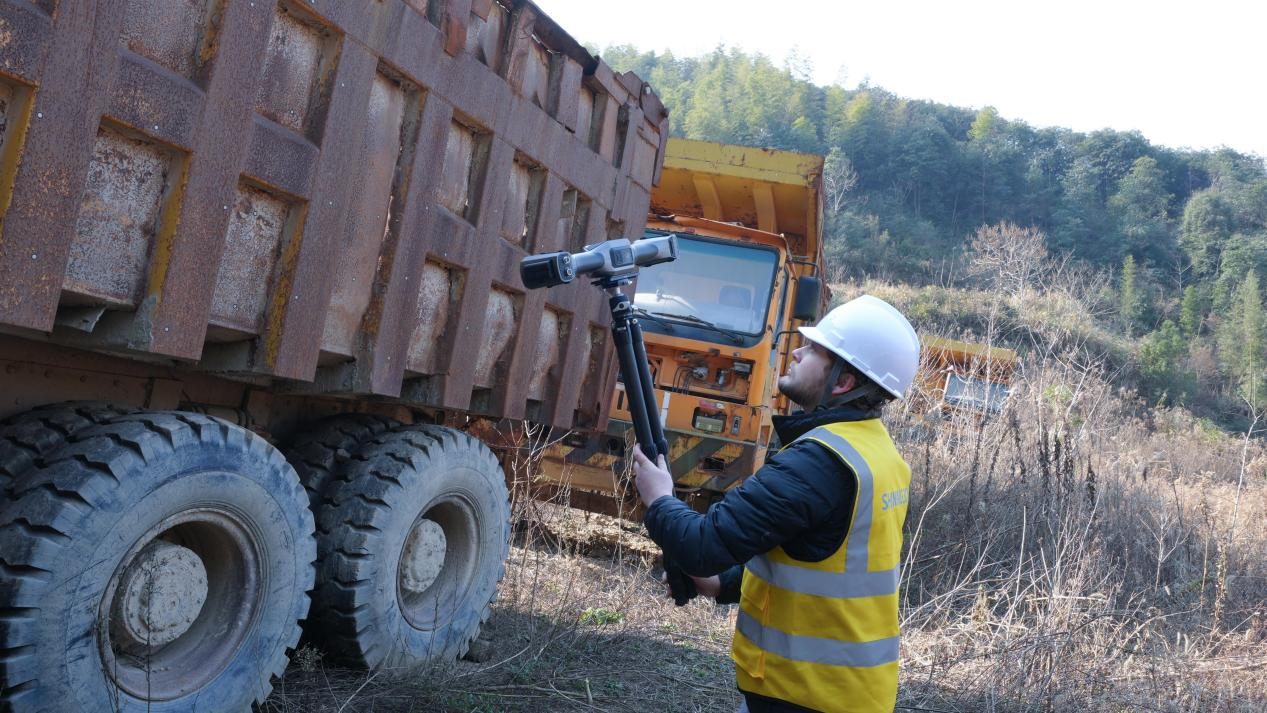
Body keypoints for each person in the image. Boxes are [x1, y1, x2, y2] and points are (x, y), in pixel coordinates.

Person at [631, 294, 920, 713]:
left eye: (815, 350)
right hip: (845, 693)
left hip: (804, 696)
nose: (798, 351)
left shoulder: (818, 462)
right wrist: (723, 582)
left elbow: (702, 544)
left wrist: (658, 497)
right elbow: (818, 561)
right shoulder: (876, 453)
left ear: (843, 382)